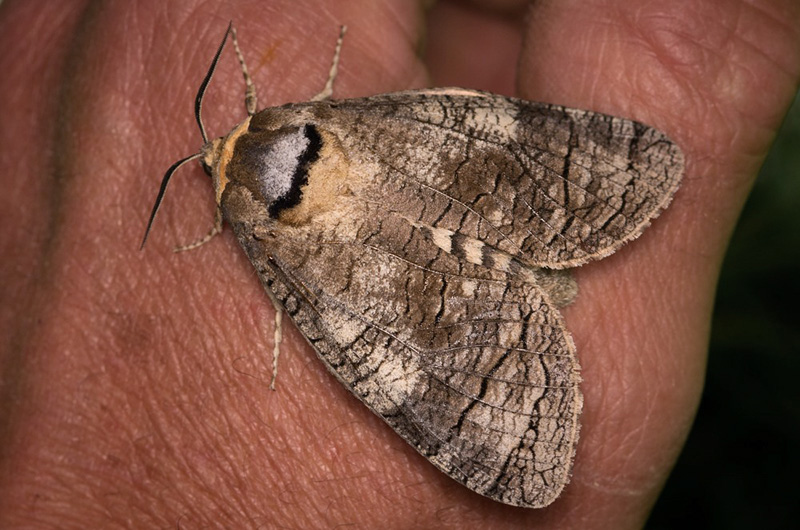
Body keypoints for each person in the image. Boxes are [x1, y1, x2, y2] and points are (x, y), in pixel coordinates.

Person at [1, 0, 798, 528]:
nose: (219, 151)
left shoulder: (258, 233)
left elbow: (320, 320)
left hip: (387, 289)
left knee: (372, 338)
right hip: (438, 164)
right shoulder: (314, 122)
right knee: (479, 142)